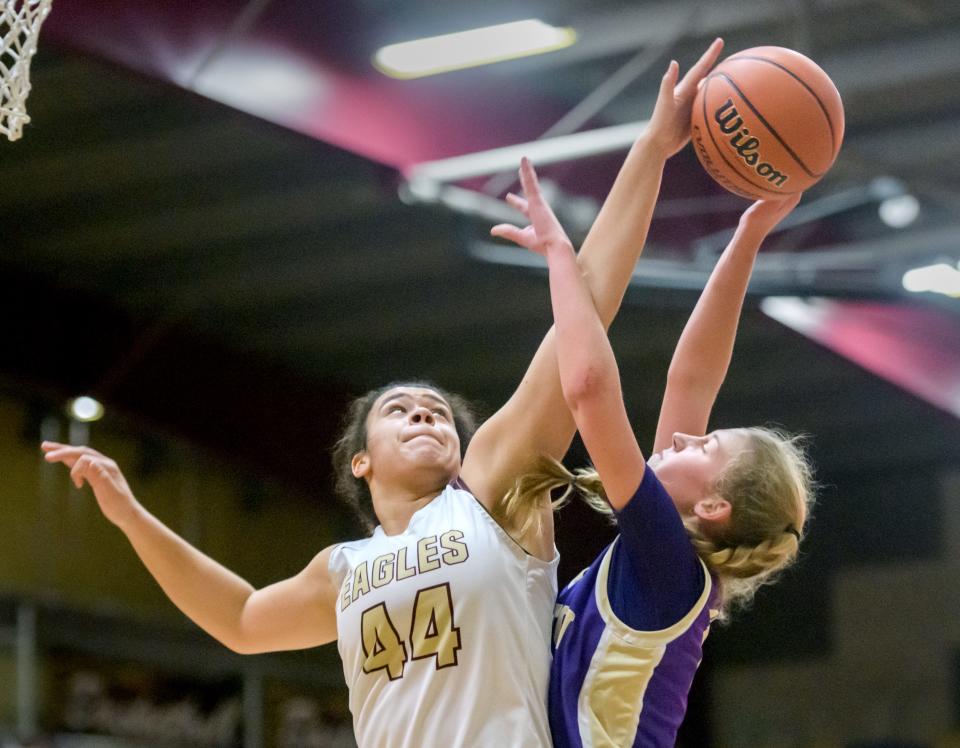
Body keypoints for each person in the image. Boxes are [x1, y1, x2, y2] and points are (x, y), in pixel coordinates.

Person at [41, 40, 725, 748]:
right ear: (360, 462)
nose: (425, 412)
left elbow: (588, 304)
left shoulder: (491, 490)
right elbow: (241, 620)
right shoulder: (343, 571)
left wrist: (650, 150)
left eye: (437, 412)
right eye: (399, 409)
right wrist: (129, 516)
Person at [491, 158, 813, 747]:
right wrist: (749, 234)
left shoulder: (667, 563)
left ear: (714, 506)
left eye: (707, 444)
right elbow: (691, 380)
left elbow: (589, 389)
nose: (687, 437)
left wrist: (563, 258)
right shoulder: (669, 561)